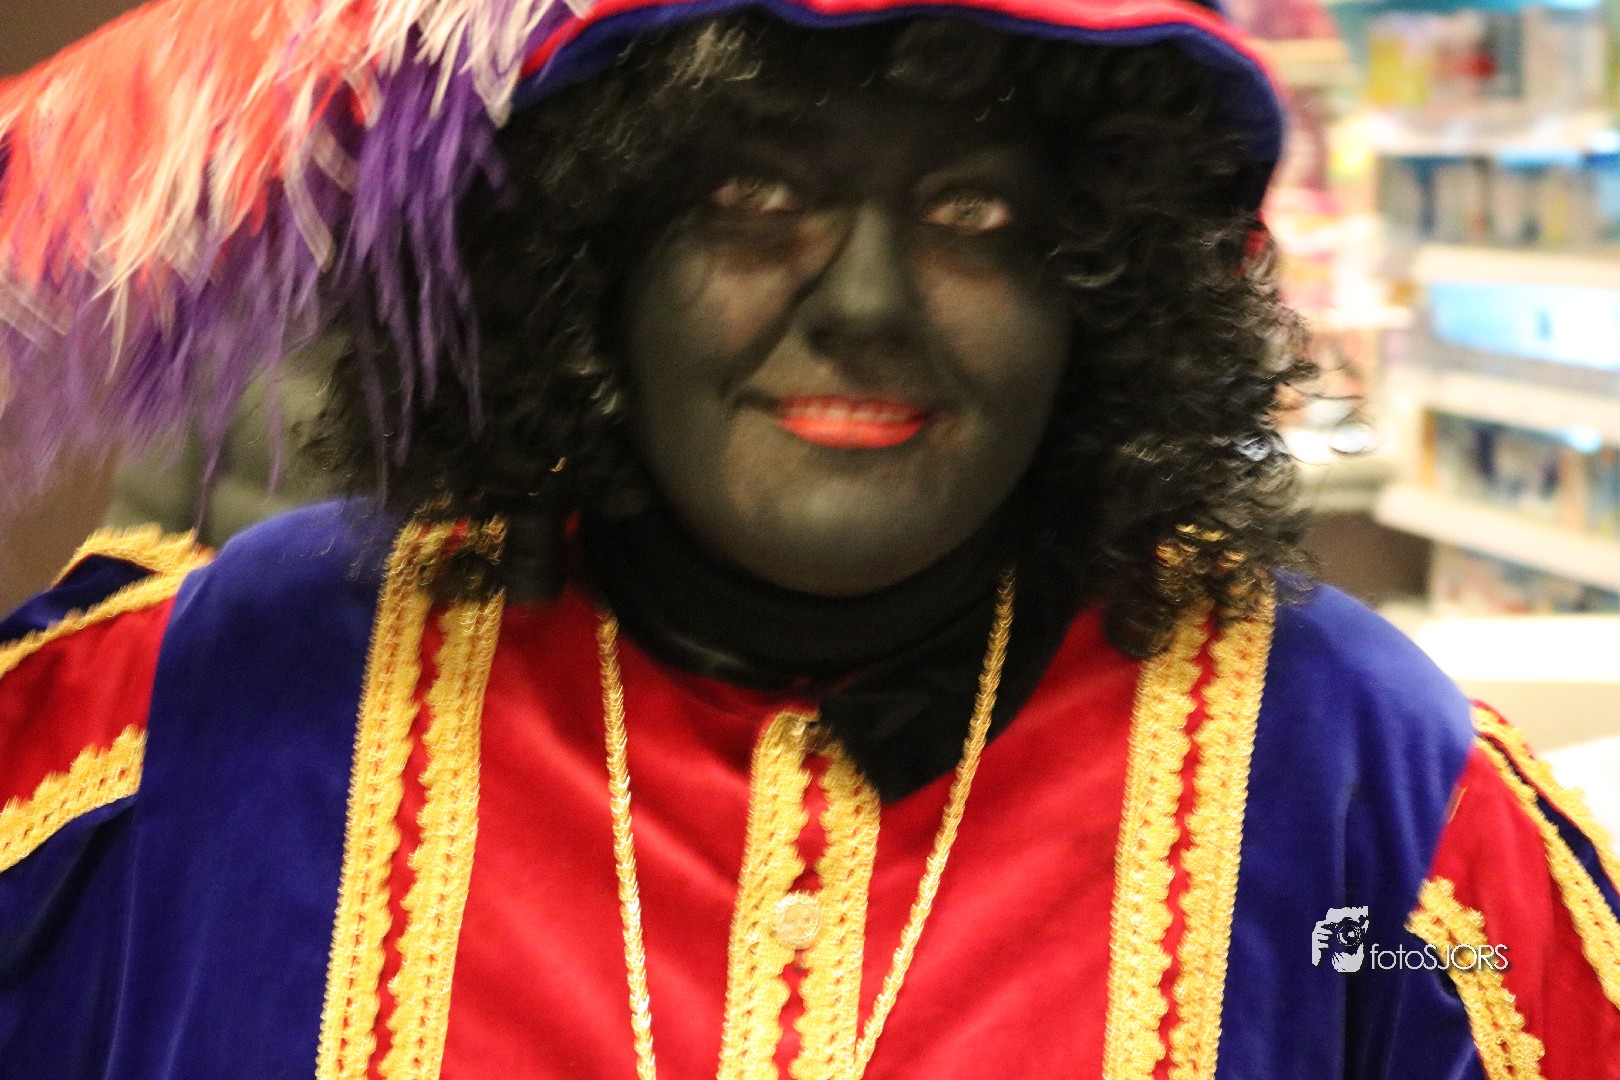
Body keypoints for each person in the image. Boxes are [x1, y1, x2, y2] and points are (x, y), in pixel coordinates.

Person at [1, 0, 1617, 1077]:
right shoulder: (193, 709)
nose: (863, 305)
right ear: (593, 264)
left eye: (974, 215)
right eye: (755, 202)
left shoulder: (1365, 786)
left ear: (1100, 292)